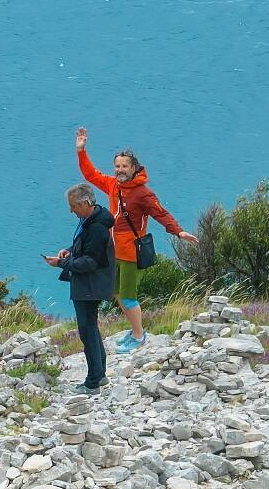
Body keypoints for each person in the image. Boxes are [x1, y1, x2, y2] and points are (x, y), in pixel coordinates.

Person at [75, 127, 197, 353]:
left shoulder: (143, 193)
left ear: (134, 168)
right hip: (113, 251)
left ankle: (139, 337)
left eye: (124, 167)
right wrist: (81, 150)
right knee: (117, 293)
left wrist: (178, 231)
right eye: (117, 166)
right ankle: (135, 331)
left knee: (129, 296)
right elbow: (90, 175)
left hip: (131, 253)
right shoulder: (113, 185)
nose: (120, 170)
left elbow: (161, 213)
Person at [45, 183, 115, 394]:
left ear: (85, 203)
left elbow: (89, 262)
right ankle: (99, 375)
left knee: (87, 331)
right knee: (91, 328)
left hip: (89, 285)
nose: (71, 210)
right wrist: (68, 251)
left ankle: (92, 382)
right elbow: (85, 248)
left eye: (73, 206)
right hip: (91, 284)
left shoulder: (96, 228)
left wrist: (61, 263)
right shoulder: (92, 220)